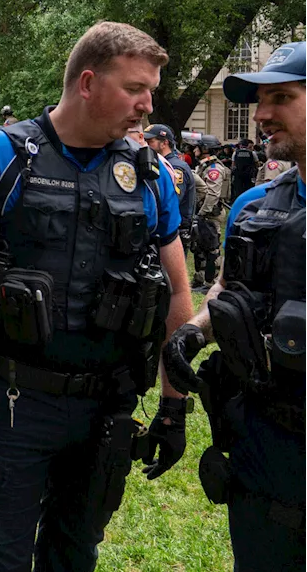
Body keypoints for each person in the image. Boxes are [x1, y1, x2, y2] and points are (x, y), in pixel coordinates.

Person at [0, 22, 190, 572]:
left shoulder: (151, 177)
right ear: (87, 82)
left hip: (109, 405)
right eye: (135, 89)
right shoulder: (0, 157)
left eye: (150, 90)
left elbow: (177, 290)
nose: (147, 106)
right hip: (14, 403)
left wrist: (173, 406)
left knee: (75, 552)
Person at [162, 41, 307, 568]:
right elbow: (228, 289)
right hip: (265, 449)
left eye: (282, 98)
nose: (263, 115)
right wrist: (195, 332)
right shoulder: (255, 205)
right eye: (260, 101)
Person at [144, 124, 196, 256]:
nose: (146, 145)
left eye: (150, 141)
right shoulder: (160, 163)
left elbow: (172, 200)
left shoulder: (175, 167)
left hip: (173, 232)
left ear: (164, 143)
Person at [193, 136, 231, 291]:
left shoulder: (214, 169)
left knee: (212, 249)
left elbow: (212, 195)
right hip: (204, 213)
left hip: (210, 214)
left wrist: (202, 213)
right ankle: (200, 279)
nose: (195, 150)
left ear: (206, 149)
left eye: (198, 147)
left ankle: (211, 282)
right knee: (199, 247)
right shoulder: (205, 166)